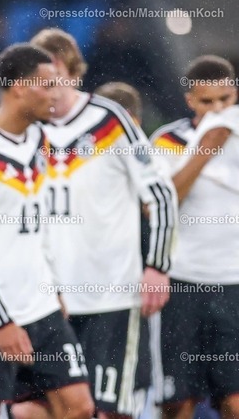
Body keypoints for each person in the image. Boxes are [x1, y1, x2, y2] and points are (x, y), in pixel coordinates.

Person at [24, 28, 177, 419]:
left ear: (71, 71)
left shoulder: (111, 120)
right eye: (38, 80)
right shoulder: (27, 130)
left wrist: (157, 267)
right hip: (44, 299)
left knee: (109, 411)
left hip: (111, 296)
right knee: (32, 409)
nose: (47, 89)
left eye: (53, 77)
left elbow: (160, 195)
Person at [0, 43, 94, 419]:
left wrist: (54, 285)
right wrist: (2, 321)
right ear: (18, 87)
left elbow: (41, 224)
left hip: (41, 306)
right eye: (47, 84)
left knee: (79, 406)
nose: (56, 93)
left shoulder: (41, 140)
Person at [151, 55, 239, 419]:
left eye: (225, 100)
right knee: (178, 402)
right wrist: (206, 149)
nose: (217, 110)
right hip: (182, 282)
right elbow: (161, 205)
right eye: (207, 101)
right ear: (190, 100)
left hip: (234, 282)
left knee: (234, 401)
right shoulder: (167, 141)